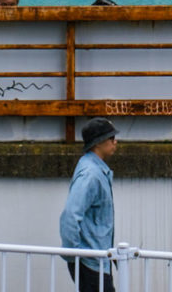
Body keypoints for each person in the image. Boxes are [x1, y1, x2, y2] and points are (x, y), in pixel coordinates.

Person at [58, 117, 118, 292]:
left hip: (95, 260)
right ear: (98, 143)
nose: (116, 142)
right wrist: (74, 255)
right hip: (91, 261)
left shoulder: (93, 168)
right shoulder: (91, 174)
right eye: (111, 138)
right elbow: (70, 215)